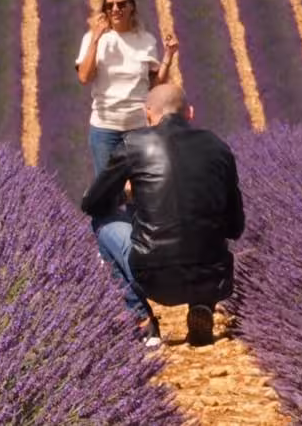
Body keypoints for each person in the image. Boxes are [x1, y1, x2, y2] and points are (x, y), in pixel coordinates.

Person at [81, 83, 245, 348]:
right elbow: (236, 227)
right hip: (213, 278)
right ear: (190, 113)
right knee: (204, 232)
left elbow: (91, 204)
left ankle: (143, 321)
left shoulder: (133, 144)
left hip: (154, 279)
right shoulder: (218, 147)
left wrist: (128, 195)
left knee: (101, 223)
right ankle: (202, 305)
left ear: (147, 114)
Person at [75, 0, 178, 175]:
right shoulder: (91, 38)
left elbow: (154, 88)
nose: (115, 9)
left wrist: (169, 55)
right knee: (108, 194)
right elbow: (84, 76)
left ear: (132, 7)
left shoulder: (146, 40)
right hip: (105, 129)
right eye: (110, 5)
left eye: (121, 4)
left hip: (138, 128)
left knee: (140, 191)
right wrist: (96, 39)